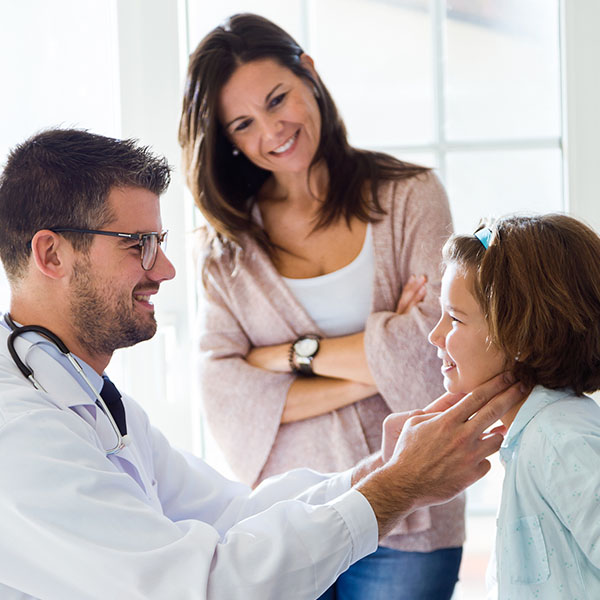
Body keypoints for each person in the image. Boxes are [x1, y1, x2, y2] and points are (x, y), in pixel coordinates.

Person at [0, 128, 523, 599]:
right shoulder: (20, 434)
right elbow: (204, 588)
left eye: (157, 242)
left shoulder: (100, 405)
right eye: (137, 245)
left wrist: (383, 469)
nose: (165, 268)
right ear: (51, 255)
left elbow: (234, 515)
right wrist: (399, 485)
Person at [179, 14, 462, 598]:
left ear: (308, 73)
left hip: (411, 513)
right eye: (244, 124)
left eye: (278, 98)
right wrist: (381, 353)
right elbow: (224, 392)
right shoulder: (226, 251)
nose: (272, 130)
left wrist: (285, 358)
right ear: (228, 140)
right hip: (289, 524)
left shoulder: (411, 197)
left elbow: (439, 355)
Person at [428, 214, 600, 599]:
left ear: (521, 335)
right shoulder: (535, 434)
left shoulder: (559, 439)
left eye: (454, 318)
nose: (434, 334)